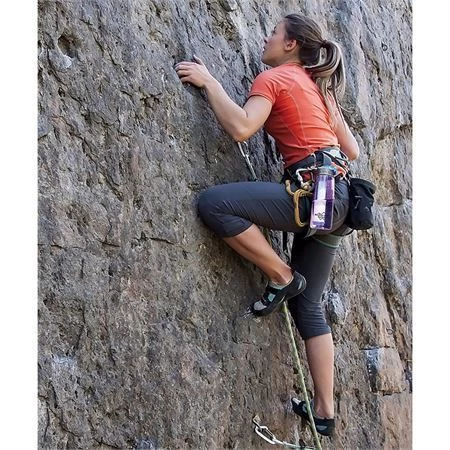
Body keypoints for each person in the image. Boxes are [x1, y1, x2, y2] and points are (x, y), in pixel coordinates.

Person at [175, 13, 359, 437]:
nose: (266, 37)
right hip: (339, 199)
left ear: (290, 45)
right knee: (308, 306)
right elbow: (350, 148)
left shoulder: (275, 78)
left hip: (314, 194)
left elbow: (241, 127)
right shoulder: (319, 87)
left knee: (215, 205)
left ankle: (281, 275)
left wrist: (210, 82)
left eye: (274, 32)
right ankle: (324, 411)